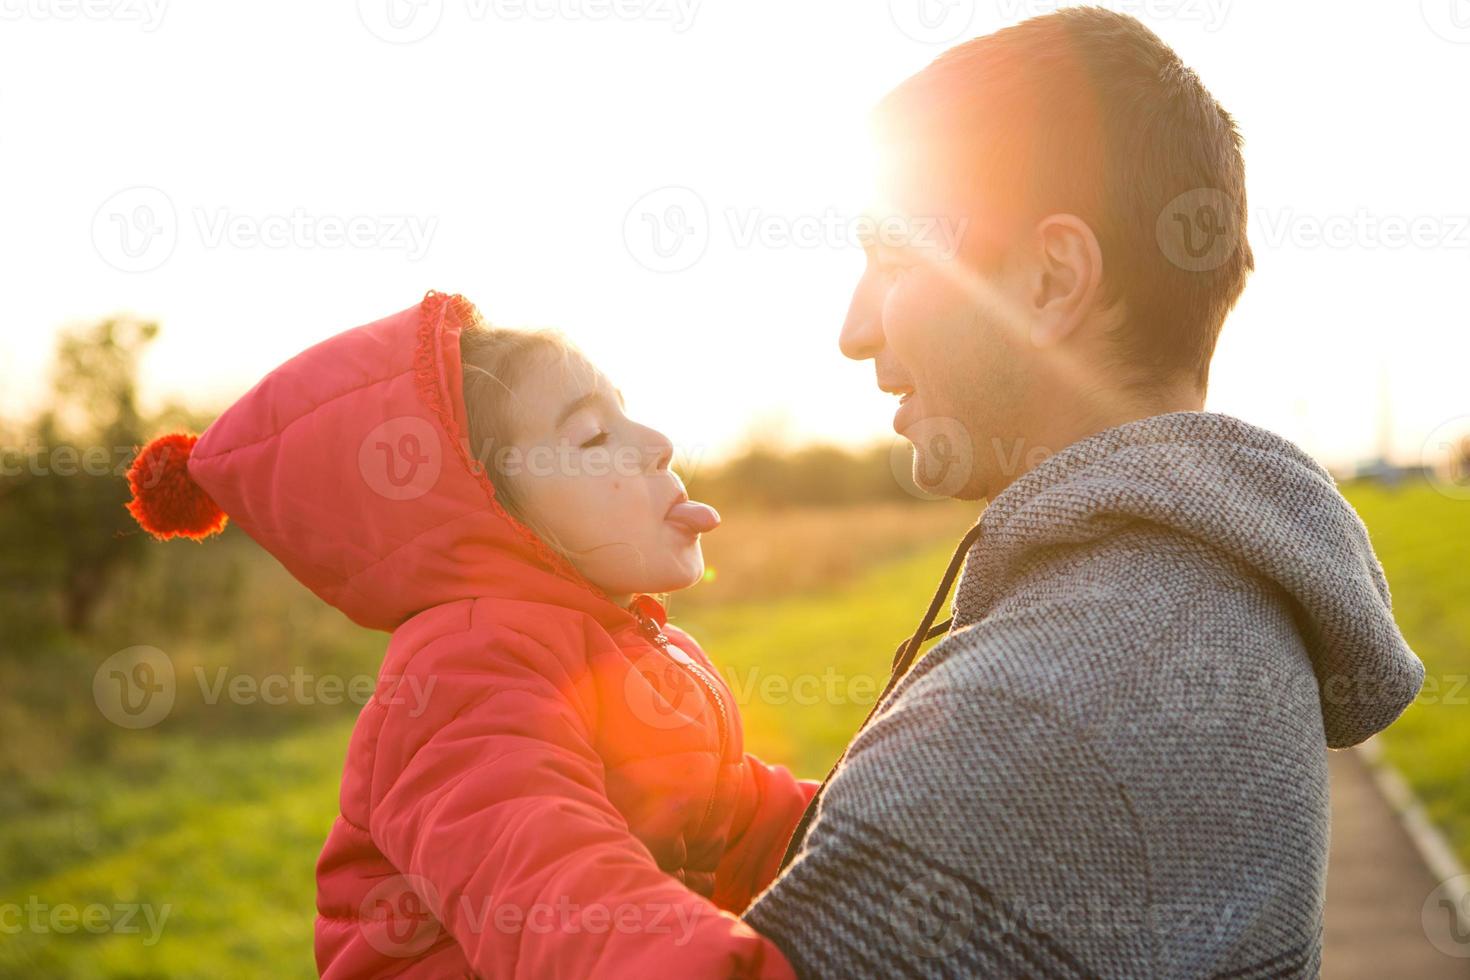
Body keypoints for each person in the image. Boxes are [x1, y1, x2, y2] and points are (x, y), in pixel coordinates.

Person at [741, 9, 1424, 977]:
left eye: (894, 260)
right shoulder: (1219, 590)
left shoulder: (1032, 723)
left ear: (1051, 279)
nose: (854, 329)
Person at [124, 290, 813, 977]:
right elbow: (551, 879)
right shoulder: (462, 669)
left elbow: (727, 817)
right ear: (490, 510)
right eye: (596, 436)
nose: (660, 445)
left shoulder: (629, 647)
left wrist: (869, 819)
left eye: (628, 416)